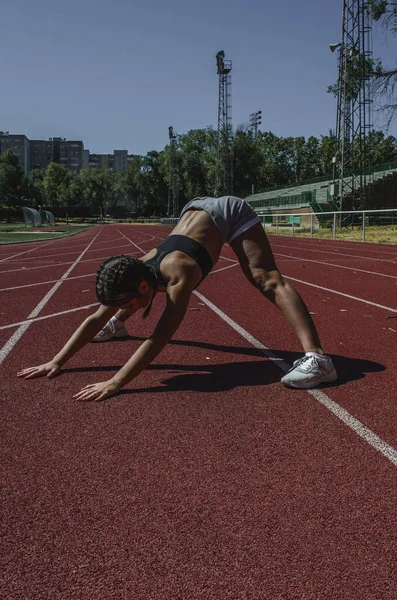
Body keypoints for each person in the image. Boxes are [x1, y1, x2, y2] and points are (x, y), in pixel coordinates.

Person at [17, 196, 337, 401]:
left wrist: (115, 382)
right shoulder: (132, 271)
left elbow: (158, 338)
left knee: (265, 279)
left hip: (229, 212)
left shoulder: (179, 276)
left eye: (123, 305)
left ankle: (319, 360)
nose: (119, 305)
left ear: (144, 289)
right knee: (117, 311)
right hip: (193, 210)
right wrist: (57, 361)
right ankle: (120, 326)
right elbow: (94, 317)